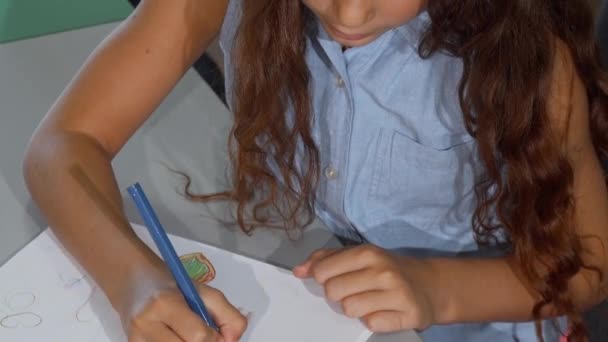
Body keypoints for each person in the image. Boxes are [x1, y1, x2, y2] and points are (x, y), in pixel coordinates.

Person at [22, 0, 608, 341]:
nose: (350, 13)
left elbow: (591, 266)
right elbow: (61, 146)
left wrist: (438, 291)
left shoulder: (531, 58)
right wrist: (136, 282)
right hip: (313, 282)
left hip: (488, 310)